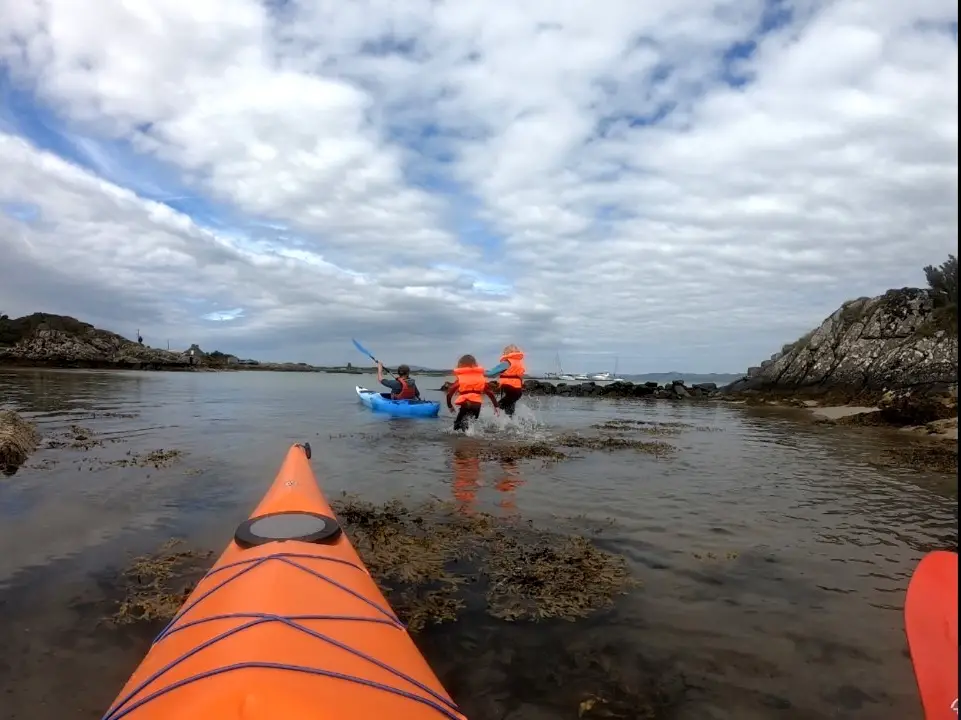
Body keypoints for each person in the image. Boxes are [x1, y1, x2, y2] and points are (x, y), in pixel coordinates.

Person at [446, 354, 499, 431]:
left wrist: (450, 406)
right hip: (477, 405)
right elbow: (490, 393)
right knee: (470, 426)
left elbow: (449, 393)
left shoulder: (461, 378)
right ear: (475, 364)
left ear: (460, 365)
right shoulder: (481, 378)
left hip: (466, 404)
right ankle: (471, 441)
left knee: (457, 427)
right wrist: (496, 406)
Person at [485, 344, 526, 417]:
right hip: (517, 392)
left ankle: (494, 425)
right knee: (510, 413)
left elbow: (491, 374)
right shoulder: (519, 363)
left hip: (509, 390)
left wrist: (477, 372)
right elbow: (494, 375)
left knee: (497, 408)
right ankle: (512, 426)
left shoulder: (506, 363)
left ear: (506, 352)